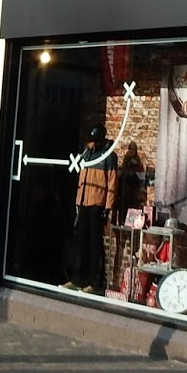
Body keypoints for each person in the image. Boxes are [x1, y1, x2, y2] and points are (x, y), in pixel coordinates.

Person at [63, 125, 116, 294]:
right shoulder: (86, 155)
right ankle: (78, 278)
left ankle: (94, 281)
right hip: (84, 202)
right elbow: (81, 179)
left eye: (92, 141)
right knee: (80, 242)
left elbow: (112, 182)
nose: (89, 144)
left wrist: (108, 207)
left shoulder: (108, 156)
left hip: (97, 204)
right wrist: (78, 201)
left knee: (94, 244)